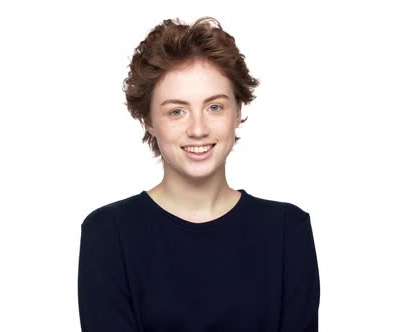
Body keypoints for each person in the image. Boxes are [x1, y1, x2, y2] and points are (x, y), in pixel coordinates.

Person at [77, 16, 320, 332]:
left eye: (215, 107)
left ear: (238, 110)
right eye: (176, 111)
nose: (198, 129)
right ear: (148, 120)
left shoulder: (288, 231)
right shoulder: (108, 234)